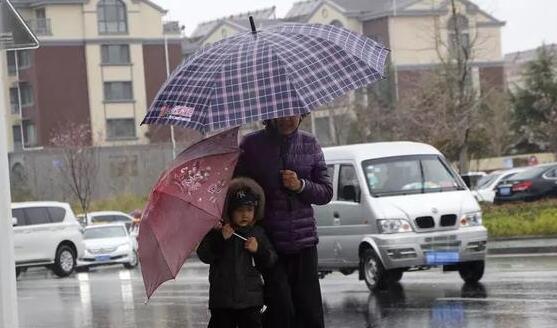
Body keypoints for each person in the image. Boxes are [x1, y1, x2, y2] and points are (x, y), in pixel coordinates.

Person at [235, 115, 334, 328]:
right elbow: (237, 189)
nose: (289, 118)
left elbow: (326, 192)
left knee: (310, 313)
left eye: (294, 112)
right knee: (281, 310)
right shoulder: (251, 145)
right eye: (283, 113)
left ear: (302, 113)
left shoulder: (310, 143)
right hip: (269, 244)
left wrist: (300, 186)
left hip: (304, 243)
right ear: (270, 113)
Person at [197, 177, 277, 328]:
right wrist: (221, 239)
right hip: (222, 300)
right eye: (239, 210)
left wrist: (258, 250)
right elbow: (204, 255)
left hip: (250, 301)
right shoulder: (218, 231)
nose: (245, 214)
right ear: (230, 211)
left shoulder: (257, 233)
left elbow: (270, 260)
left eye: (249, 210)